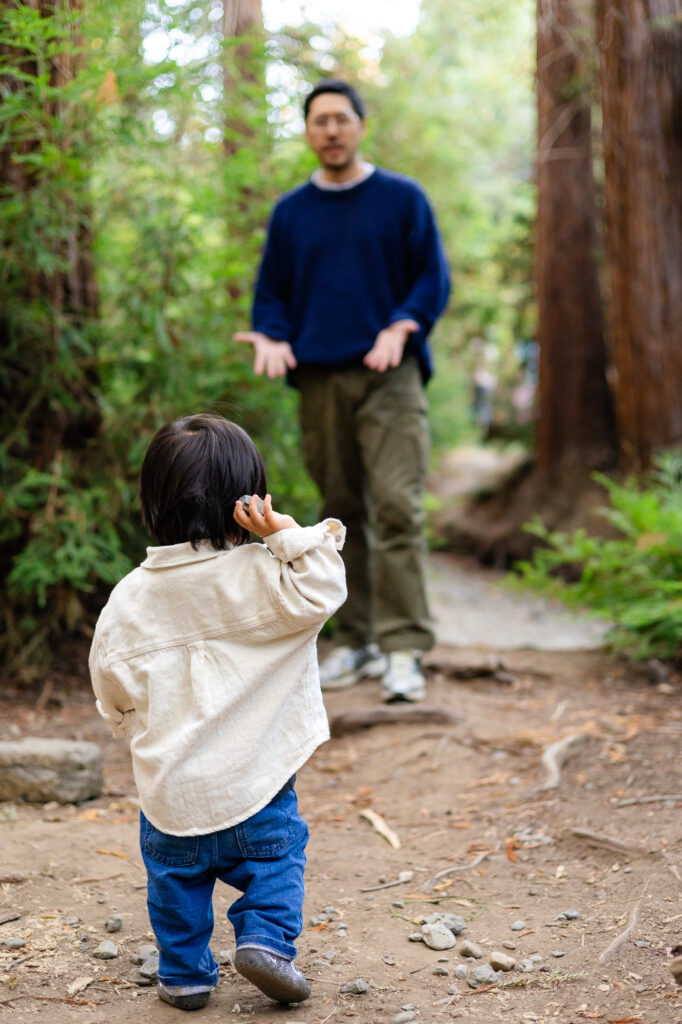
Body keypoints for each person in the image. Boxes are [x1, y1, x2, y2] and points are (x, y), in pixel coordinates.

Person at [88, 414, 346, 1011]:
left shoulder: (128, 598)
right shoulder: (266, 575)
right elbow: (327, 583)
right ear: (247, 500)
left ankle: (184, 973)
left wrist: (131, 726)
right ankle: (264, 939)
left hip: (171, 794)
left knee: (174, 885)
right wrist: (282, 533)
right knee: (278, 861)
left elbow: (111, 685)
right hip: (256, 784)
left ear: (154, 501)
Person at [235, 79, 450, 703]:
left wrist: (401, 325)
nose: (330, 129)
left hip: (391, 376)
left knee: (398, 507)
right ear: (307, 131)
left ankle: (404, 649)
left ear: (360, 126)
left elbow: (432, 278)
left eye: (341, 119)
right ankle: (356, 641)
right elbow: (272, 290)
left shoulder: (401, 199)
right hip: (320, 379)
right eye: (319, 120)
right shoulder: (291, 212)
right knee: (339, 512)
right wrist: (272, 335)